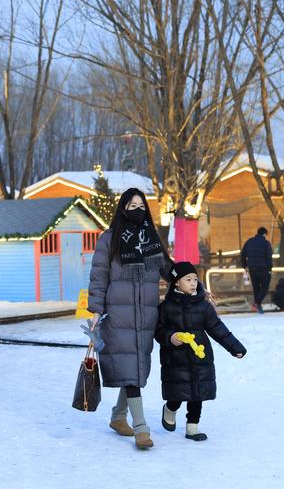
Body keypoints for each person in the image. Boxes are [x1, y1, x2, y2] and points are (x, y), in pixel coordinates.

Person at [88, 188, 172, 450]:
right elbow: (99, 277)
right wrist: (95, 311)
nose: (138, 210)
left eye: (141, 205)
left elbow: (168, 269)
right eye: (132, 205)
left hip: (146, 315)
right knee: (131, 370)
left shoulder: (151, 239)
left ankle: (117, 417)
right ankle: (141, 429)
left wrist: (196, 286)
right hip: (117, 315)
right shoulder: (109, 240)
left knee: (135, 368)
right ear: (123, 208)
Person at [156, 261, 246, 441]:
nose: (193, 283)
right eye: (188, 279)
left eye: (195, 279)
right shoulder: (166, 307)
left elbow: (217, 328)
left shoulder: (203, 306)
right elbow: (158, 329)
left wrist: (235, 347)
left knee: (198, 392)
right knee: (178, 393)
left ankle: (192, 427)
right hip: (175, 358)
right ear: (176, 283)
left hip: (199, 355)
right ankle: (170, 409)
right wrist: (170, 337)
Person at [241, 227, 273, 314]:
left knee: (256, 288)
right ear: (264, 234)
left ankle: (258, 306)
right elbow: (269, 257)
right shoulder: (266, 243)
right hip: (263, 268)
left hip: (252, 268)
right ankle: (257, 303)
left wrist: (244, 265)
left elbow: (243, 254)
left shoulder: (249, 242)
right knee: (265, 287)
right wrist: (270, 268)